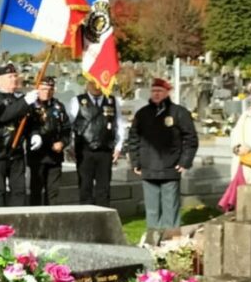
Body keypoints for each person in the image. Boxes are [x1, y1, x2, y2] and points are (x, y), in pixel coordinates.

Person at [126, 78, 198, 244]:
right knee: (152, 209)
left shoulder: (179, 112)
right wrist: (135, 162)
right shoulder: (142, 114)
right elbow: (134, 139)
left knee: (170, 209)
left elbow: (191, 138)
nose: (156, 94)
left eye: (159, 91)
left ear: (167, 93)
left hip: (170, 167)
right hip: (148, 167)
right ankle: (153, 241)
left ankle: (172, 243)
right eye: (153, 91)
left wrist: (185, 161)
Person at [0, 63, 36, 207]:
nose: (14, 79)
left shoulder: (21, 98)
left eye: (15, 75)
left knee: (19, 190)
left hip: (16, 152)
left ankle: (16, 221)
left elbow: (31, 122)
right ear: (0, 80)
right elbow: (3, 116)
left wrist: (35, 135)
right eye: (10, 76)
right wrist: (25, 102)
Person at [68, 79, 125, 207]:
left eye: (99, 82)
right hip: (84, 150)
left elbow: (119, 124)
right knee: (85, 187)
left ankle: (103, 219)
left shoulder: (112, 101)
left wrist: (119, 146)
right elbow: (70, 124)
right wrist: (70, 146)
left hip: (105, 150)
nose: (96, 86)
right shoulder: (77, 101)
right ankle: (87, 219)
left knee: (104, 188)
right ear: (87, 83)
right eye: (93, 82)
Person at [26, 76, 71, 205]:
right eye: (43, 89)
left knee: (53, 193)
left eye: (50, 89)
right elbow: (26, 129)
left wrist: (62, 142)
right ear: (37, 89)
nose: (47, 92)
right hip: (37, 156)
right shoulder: (31, 106)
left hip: (55, 155)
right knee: (36, 191)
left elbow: (66, 128)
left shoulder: (58, 106)